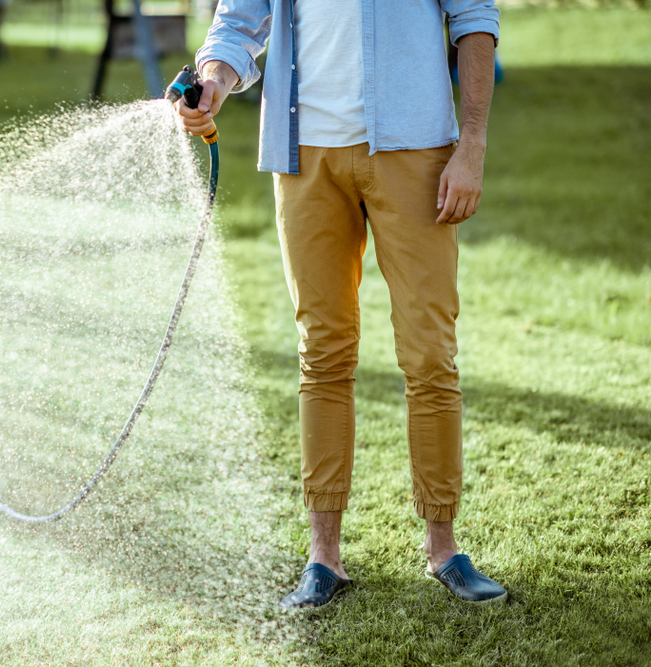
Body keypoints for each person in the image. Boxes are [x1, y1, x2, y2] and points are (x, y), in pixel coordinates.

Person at [176, 0, 507, 607]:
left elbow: (474, 20)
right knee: (321, 354)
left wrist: (473, 145)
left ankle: (445, 550)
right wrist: (214, 81)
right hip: (303, 157)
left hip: (414, 150)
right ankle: (323, 559)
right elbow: (237, 24)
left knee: (430, 353)